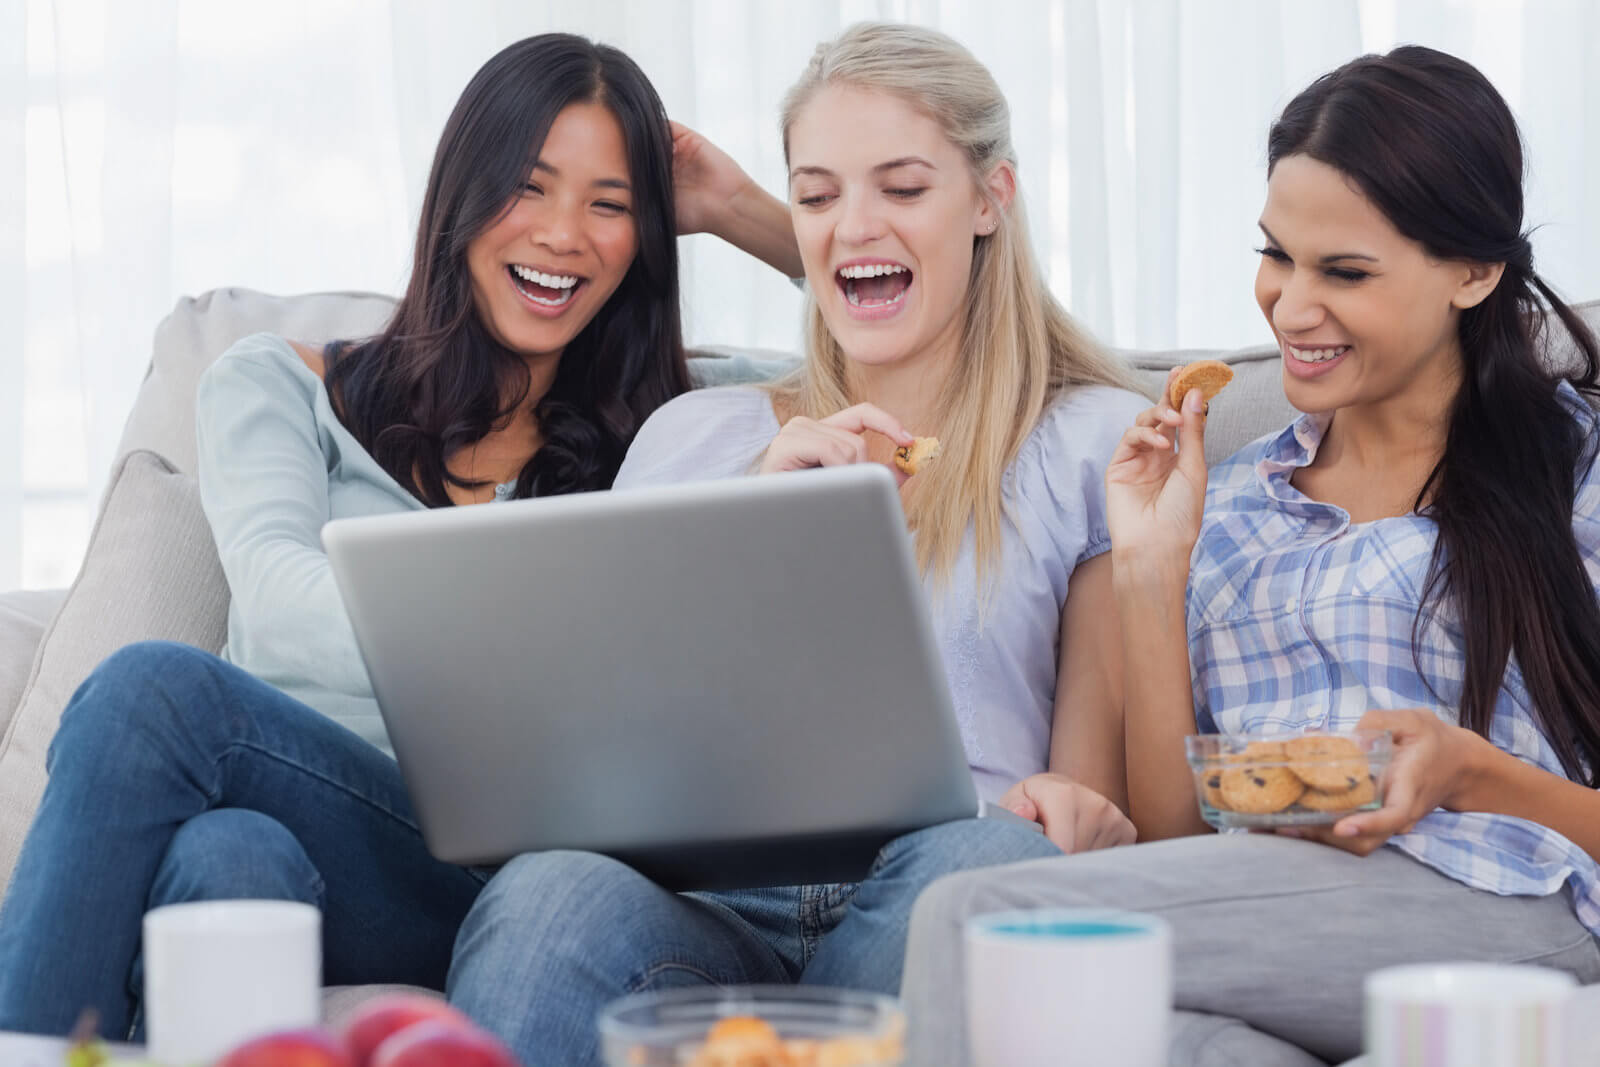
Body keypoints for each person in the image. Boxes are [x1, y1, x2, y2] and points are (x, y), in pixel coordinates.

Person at [0, 32, 796, 1040]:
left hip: (517, 885)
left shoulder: (682, 425)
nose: (564, 235)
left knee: (150, 689)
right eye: (530, 186)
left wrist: (736, 213)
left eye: (609, 204)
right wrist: (545, 634)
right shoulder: (279, 383)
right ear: (461, 194)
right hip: (329, 846)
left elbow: (929, 327)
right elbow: (283, 613)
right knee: (226, 856)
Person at [443, 23, 1145, 1065]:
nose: (851, 227)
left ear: (990, 198)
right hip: (708, 904)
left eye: (902, 189)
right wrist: (760, 521)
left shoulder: (1090, 443)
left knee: (986, 861)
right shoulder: (698, 435)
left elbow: (1079, 810)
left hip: (935, 881)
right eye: (815, 197)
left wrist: (1064, 814)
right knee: (548, 891)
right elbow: (605, 743)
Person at [900, 45, 1600, 1067]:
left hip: (1504, 895)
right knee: (1150, 1039)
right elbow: (1181, 847)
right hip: (1280, 916)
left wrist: (1470, 772)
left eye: (1344, 271)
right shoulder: (1225, 503)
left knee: (985, 923)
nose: (1290, 306)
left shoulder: (1572, 472)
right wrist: (1150, 571)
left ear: (1473, 270)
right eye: (1276, 255)